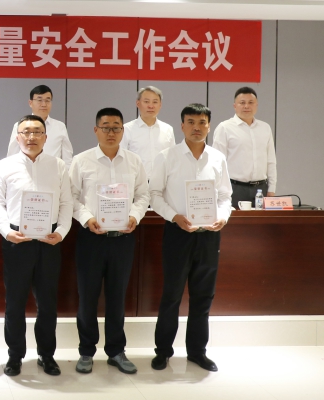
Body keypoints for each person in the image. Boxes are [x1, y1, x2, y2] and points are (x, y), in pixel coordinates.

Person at [150, 103, 232, 372]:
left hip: (209, 235)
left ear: (209, 126)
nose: (197, 127)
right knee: (171, 295)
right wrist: (174, 216)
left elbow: (225, 195)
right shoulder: (167, 157)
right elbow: (155, 194)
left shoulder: (218, 158)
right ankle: (163, 351)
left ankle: (197, 352)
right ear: (182, 125)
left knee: (203, 296)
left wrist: (223, 217)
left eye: (202, 122)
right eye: (191, 122)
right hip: (178, 233)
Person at [69, 108, 150, 374]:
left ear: (123, 130)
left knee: (117, 297)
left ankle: (116, 351)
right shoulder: (81, 161)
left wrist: (135, 216)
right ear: (96, 130)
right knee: (88, 297)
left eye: (116, 127)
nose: (111, 132)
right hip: (91, 238)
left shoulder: (134, 161)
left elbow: (143, 195)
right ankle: (86, 351)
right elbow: (71, 197)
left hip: (122, 239)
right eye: (106, 127)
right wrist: (87, 218)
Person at [0, 114, 73, 377]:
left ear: (45, 137)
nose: (31, 137)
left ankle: (46, 355)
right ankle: (15, 355)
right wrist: (6, 232)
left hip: (49, 241)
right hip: (17, 240)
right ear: (17, 137)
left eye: (37, 132)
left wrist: (61, 232)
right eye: (26, 132)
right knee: (15, 302)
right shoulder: (5, 166)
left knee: (47, 303)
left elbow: (66, 203)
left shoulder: (58, 165)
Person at [212, 87, 277, 206]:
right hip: (234, 188)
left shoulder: (265, 128)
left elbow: (271, 161)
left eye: (251, 102)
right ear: (235, 106)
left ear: (256, 105)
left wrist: (271, 189)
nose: (246, 106)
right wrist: (219, 192)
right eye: (242, 103)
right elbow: (217, 164)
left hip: (261, 189)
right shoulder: (225, 128)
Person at [5, 85, 73, 168]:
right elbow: (12, 155)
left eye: (47, 100)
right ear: (30, 103)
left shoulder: (60, 126)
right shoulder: (20, 125)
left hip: (52, 173)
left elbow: (67, 159)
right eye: (39, 100)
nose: (44, 104)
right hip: (26, 172)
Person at [122, 86, 175, 177]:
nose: (151, 106)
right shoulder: (126, 129)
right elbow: (121, 159)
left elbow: (172, 158)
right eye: (146, 102)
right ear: (138, 103)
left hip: (162, 181)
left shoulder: (168, 129)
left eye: (155, 102)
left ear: (160, 105)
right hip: (136, 181)